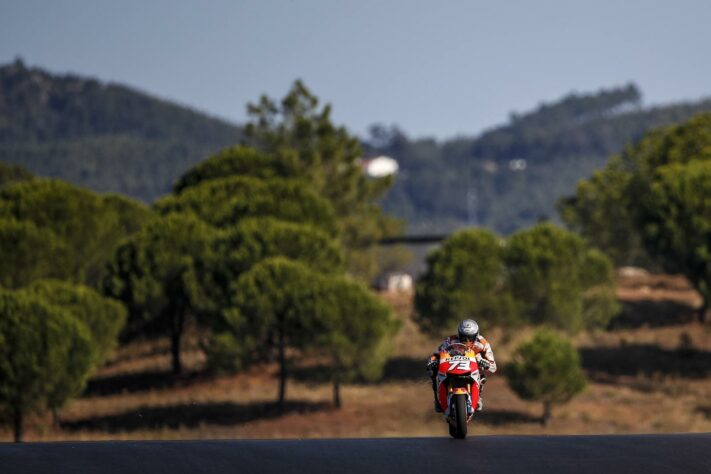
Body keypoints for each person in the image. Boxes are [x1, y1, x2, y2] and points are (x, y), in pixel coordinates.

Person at [427, 319, 497, 413]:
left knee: (482, 375)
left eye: (470, 338)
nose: (467, 341)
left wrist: (485, 363)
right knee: (433, 371)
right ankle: (437, 399)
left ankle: (478, 396)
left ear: (476, 335)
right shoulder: (450, 340)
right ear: (459, 334)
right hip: (452, 366)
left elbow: (493, 366)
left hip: (471, 367)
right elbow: (437, 353)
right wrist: (433, 361)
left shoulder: (483, 344)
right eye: (464, 338)